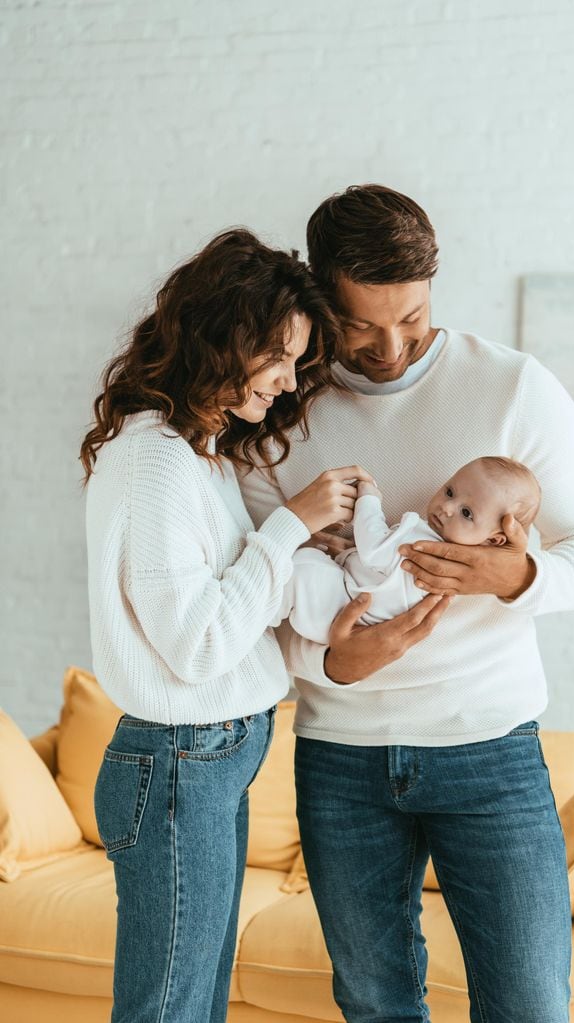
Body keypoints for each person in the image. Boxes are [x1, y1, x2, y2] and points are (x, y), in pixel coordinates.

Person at [238, 186, 574, 1022]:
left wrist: (513, 578)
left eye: (410, 317)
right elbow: (265, 593)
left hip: (490, 751)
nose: (391, 346)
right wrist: (333, 660)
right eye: (361, 325)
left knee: (529, 1005)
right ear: (318, 296)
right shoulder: (276, 410)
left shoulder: (516, 387)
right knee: (374, 1004)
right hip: (340, 757)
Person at [80, 227, 376, 1023]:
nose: (286, 381)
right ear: (223, 332)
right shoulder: (155, 459)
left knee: (195, 1006)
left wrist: (305, 554)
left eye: (296, 361)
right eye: (277, 356)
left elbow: (231, 608)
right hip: (181, 763)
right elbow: (200, 642)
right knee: (169, 1010)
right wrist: (286, 530)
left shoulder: (200, 452)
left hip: (211, 758)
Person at [274, 456, 541, 643]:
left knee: (302, 566)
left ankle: (262, 607)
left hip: (336, 606)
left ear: (494, 540)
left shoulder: (427, 547)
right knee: (306, 566)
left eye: (467, 513)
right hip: (344, 607)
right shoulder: (448, 560)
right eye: (450, 492)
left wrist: (368, 499)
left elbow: (374, 550)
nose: (447, 508)